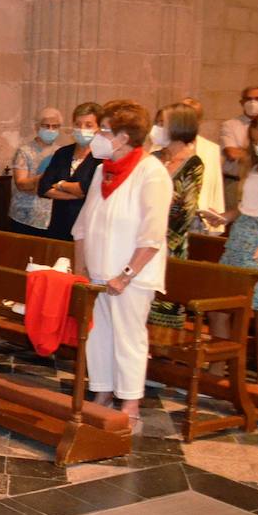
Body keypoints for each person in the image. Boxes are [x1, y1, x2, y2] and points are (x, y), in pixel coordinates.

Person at [72, 99, 173, 426]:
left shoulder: (151, 172)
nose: (98, 135)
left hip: (131, 276)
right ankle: (102, 390)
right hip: (100, 272)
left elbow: (152, 234)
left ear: (123, 137)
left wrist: (126, 275)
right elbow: (84, 224)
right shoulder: (103, 170)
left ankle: (130, 400)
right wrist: (81, 269)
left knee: (128, 336)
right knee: (98, 333)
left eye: (103, 130)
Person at [205, 111, 258, 385]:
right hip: (240, 238)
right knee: (219, 308)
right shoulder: (253, 167)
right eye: (257, 141)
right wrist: (224, 216)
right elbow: (247, 208)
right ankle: (218, 372)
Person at [148, 103, 204, 329]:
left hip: (170, 245)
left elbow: (185, 212)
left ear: (178, 127)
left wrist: (156, 202)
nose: (157, 128)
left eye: (163, 124)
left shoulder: (193, 164)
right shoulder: (152, 158)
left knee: (162, 310)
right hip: (141, 238)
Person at [38, 102, 104, 240]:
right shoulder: (63, 153)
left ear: (99, 128)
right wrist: (77, 195)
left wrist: (60, 185)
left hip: (87, 229)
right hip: (59, 225)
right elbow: (43, 187)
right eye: (78, 124)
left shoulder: (101, 158)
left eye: (88, 125)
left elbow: (86, 189)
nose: (82, 129)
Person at [9, 107, 63, 236]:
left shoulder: (61, 152)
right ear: (37, 127)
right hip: (25, 215)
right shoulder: (25, 151)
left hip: (52, 216)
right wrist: (45, 177)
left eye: (55, 126)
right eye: (46, 126)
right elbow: (21, 183)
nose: (51, 130)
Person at [178, 96, 226, 232]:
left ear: (199, 120)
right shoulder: (161, 147)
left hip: (200, 215)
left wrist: (218, 218)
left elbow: (215, 185)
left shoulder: (211, 148)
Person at [222, 86, 258, 212]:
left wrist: (243, 150)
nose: (253, 103)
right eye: (249, 99)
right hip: (235, 182)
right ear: (242, 102)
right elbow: (231, 153)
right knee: (234, 220)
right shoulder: (230, 125)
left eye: (257, 99)